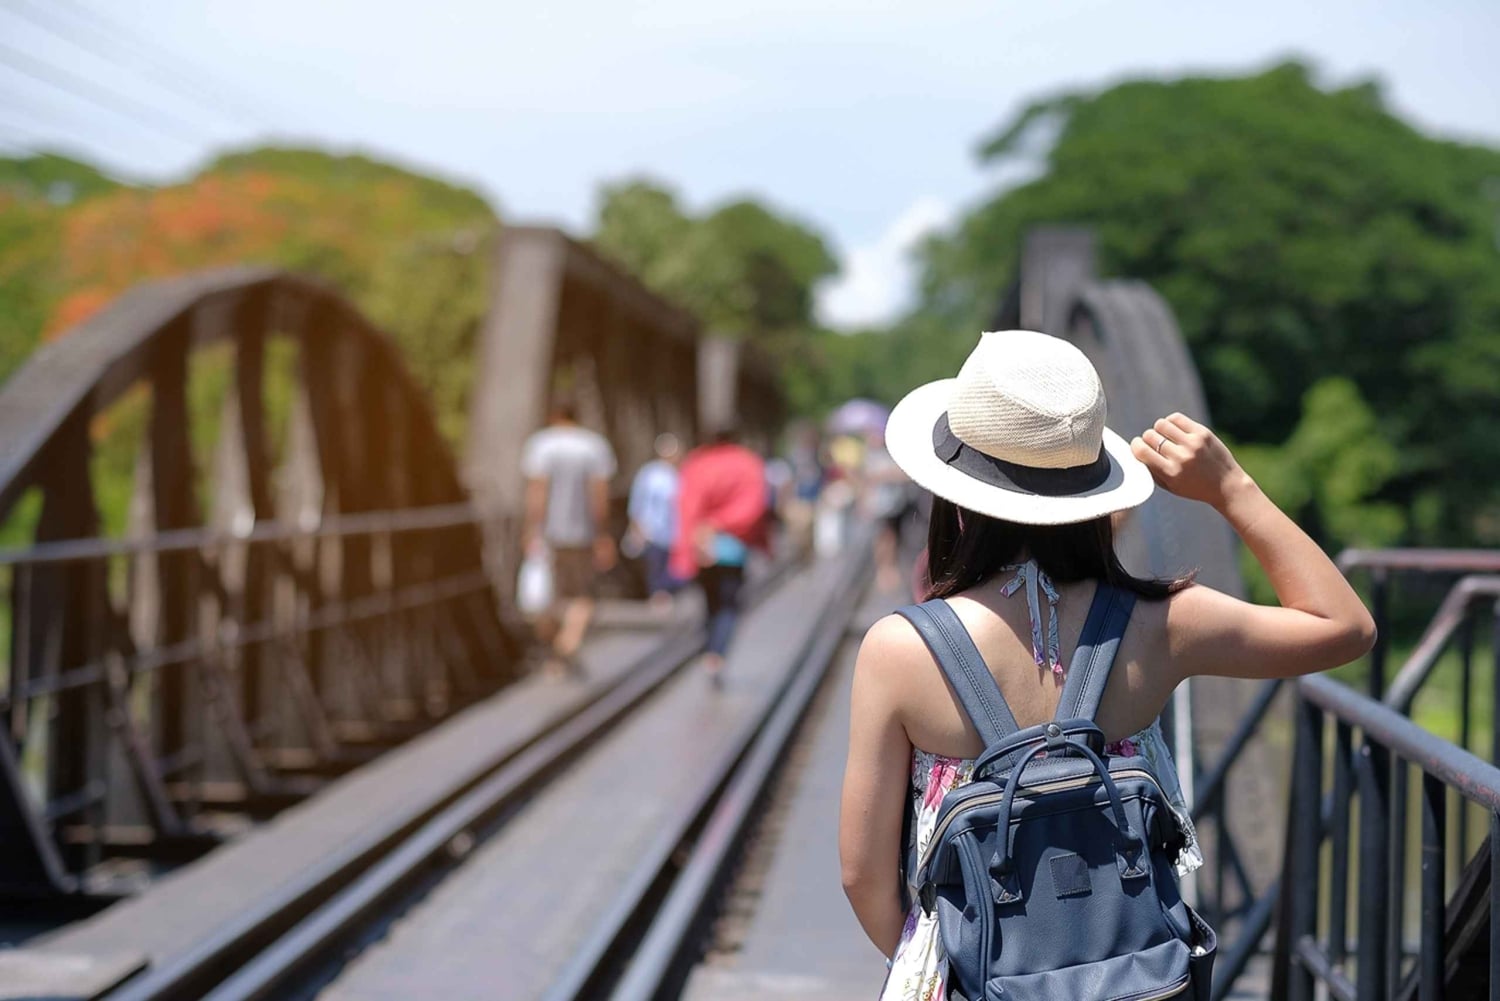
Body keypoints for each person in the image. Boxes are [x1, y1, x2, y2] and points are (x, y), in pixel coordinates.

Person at [838, 330, 1376, 997]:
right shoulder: (1164, 623)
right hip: (1132, 980)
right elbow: (1345, 628)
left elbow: (861, 874)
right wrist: (1232, 489)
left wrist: (949, 966)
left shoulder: (899, 648)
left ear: (955, 491)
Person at [520, 396, 618, 680]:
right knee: (581, 596)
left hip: (549, 533)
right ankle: (567, 646)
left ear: (552, 415)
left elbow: (537, 491)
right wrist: (603, 533)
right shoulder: (594, 445)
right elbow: (600, 494)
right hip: (583, 533)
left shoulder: (541, 444)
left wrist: (531, 528)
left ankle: (558, 651)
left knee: (546, 598)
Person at [671, 422, 769, 686]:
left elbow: (686, 508)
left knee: (709, 603)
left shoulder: (696, 464)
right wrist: (722, 524)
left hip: (701, 545)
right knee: (729, 604)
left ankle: (710, 649)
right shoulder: (748, 463)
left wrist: (691, 542)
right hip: (732, 548)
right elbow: (754, 507)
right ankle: (717, 654)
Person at [627, 432, 682, 611]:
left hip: (674, 533)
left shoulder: (677, 474)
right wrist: (636, 528)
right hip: (652, 531)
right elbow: (637, 502)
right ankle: (658, 599)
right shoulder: (649, 473)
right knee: (655, 568)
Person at [860, 429, 911, 592]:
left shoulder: (890, 455)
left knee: (891, 536)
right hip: (879, 505)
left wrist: (886, 475)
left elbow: (904, 475)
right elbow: (867, 481)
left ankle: (888, 568)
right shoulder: (870, 457)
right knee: (883, 537)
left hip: (894, 503)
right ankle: (884, 569)